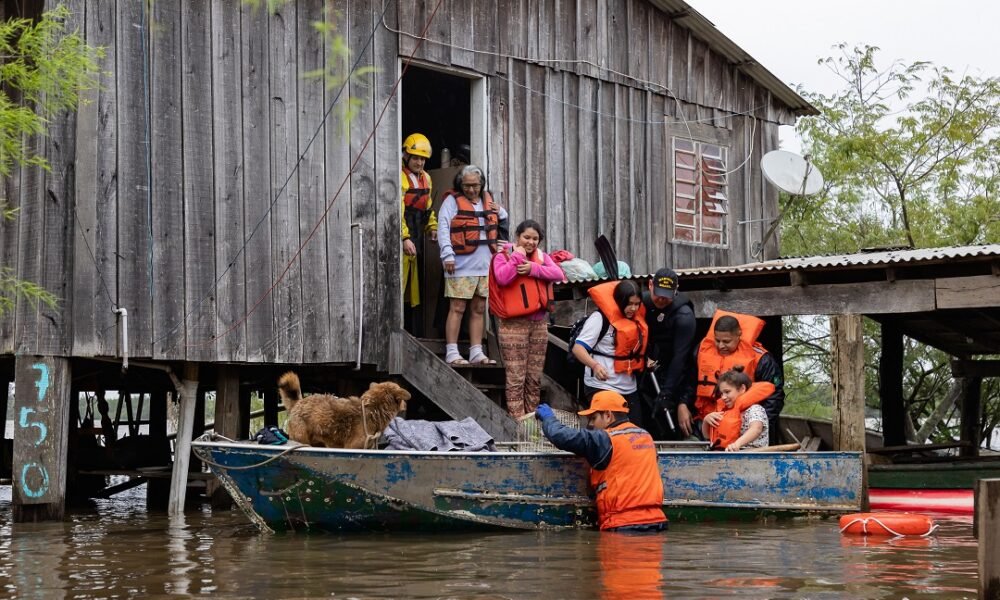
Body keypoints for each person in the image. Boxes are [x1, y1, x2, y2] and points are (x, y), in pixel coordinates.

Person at [535, 392, 667, 532]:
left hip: (625, 525)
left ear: (608, 415)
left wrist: (549, 418)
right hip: (657, 522)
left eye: (593, 418)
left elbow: (561, 436)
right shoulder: (646, 436)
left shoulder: (606, 439)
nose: (590, 424)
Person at [488, 219, 565, 418]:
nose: (530, 242)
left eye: (535, 239)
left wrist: (533, 269)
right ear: (517, 236)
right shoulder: (502, 255)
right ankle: (519, 424)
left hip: (538, 324)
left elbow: (558, 274)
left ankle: (533, 422)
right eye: (526, 237)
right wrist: (517, 258)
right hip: (513, 326)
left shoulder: (541, 257)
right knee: (516, 378)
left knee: (534, 377)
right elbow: (502, 277)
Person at [437, 164, 509, 366]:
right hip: (459, 263)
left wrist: (501, 211)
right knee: (457, 307)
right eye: (467, 185)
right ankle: (452, 352)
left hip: (485, 264)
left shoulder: (488, 200)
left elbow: (502, 222)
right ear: (460, 184)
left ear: (481, 184)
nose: (471, 190)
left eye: (475, 186)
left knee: (478, 308)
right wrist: (447, 255)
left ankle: (476, 351)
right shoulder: (451, 201)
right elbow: (443, 228)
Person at [693, 310, 785, 443]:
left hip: (746, 428)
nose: (720, 345)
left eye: (726, 341)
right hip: (708, 423)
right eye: (717, 340)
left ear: (739, 335)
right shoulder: (701, 351)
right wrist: (683, 404)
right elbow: (688, 381)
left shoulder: (762, 360)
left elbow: (775, 397)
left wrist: (754, 427)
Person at [642, 267, 697, 439]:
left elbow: (680, 357)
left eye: (666, 294)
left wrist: (667, 393)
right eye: (658, 292)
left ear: (675, 290)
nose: (661, 298)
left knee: (666, 425)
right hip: (646, 368)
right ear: (650, 285)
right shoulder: (639, 303)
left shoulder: (684, 316)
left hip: (674, 371)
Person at [400, 133, 438, 336]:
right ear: (406, 156)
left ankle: (413, 332)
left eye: (422, 158)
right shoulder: (401, 177)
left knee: (414, 289)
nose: (419, 162)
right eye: (415, 157)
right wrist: (404, 237)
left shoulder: (427, 179)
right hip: (403, 238)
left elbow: (428, 207)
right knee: (400, 283)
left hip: (417, 237)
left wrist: (432, 227)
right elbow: (396, 209)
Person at [702, 366, 775, 451]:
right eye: (721, 393)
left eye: (727, 392)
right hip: (728, 457)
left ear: (742, 389)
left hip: (752, 458)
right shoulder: (724, 411)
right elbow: (707, 436)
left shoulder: (755, 409)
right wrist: (706, 421)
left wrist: (737, 444)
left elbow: (756, 429)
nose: (723, 397)